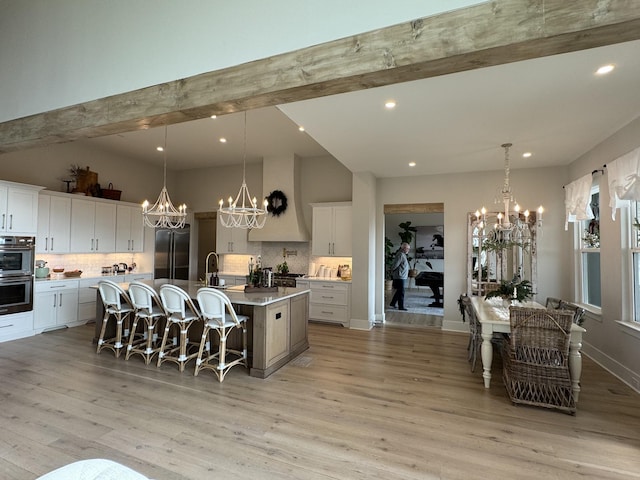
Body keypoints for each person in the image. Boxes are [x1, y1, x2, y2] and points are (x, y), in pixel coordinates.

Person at [389, 242, 410, 311]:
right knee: (401, 292)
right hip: (399, 276)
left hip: (402, 276)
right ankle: (401, 306)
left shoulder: (403, 254)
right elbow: (395, 264)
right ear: (403, 248)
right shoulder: (400, 254)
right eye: (407, 248)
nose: (408, 250)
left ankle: (393, 303)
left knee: (399, 291)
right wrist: (391, 271)